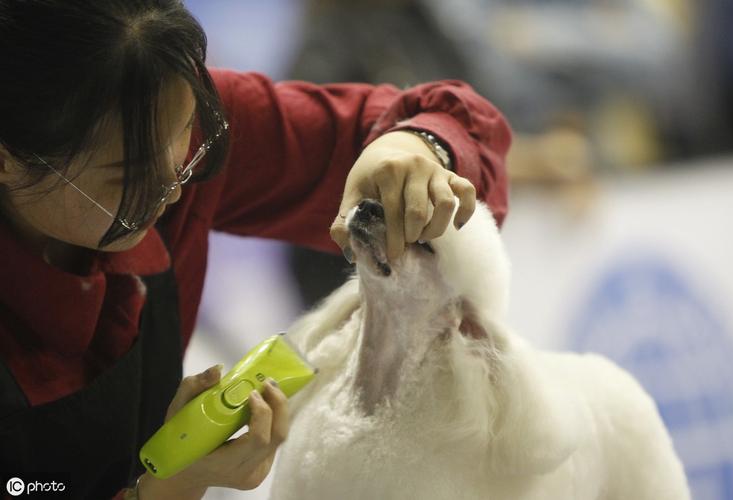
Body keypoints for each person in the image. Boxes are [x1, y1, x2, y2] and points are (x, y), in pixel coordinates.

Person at [0, 1, 510, 499]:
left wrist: (412, 150)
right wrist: (169, 489)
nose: (175, 189)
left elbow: (455, 123)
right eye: (130, 178)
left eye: (188, 141)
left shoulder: (160, 110)